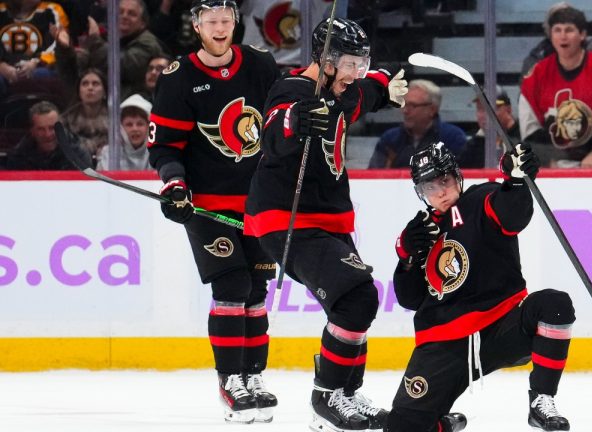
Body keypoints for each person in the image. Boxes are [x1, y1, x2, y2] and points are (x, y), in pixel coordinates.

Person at [244, 17, 407, 432]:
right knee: (357, 297)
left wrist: (386, 84)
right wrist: (296, 122)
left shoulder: (345, 90)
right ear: (325, 60)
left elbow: (367, 94)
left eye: (361, 62)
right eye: (350, 63)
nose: (357, 72)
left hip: (329, 220)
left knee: (354, 303)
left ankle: (347, 393)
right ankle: (327, 396)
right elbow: (273, 133)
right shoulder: (293, 90)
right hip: (287, 219)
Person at [147, 0, 281, 424]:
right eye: (211, 21)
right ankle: (230, 381)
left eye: (226, 20)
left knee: (257, 290)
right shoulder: (179, 77)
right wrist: (174, 184)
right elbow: (166, 146)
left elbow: (283, 118)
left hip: (258, 204)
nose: (220, 28)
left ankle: (254, 377)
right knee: (232, 286)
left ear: (236, 22)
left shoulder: (260, 63)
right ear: (196, 25)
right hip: (206, 207)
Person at [385, 141, 575, 432]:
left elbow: (513, 216)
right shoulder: (420, 232)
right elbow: (410, 299)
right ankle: (440, 424)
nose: (440, 193)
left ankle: (541, 400)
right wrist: (407, 258)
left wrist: (515, 182)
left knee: (554, 305)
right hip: (442, 343)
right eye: (429, 188)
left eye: (444, 181)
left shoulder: (481, 198)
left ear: (456, 176)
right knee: (401, 428)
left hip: (500, 327)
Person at [518, 5, 592, 168]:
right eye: (557, 30)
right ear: (550, 35)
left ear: (582, 35)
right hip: (554, 165)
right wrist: (551, 158)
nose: (563, 36)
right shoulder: (537, 75)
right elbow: (530, 131)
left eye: (569, 30)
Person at [368, 79, 466, 168]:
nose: (405, 111)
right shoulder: (390, 138)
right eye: (404, 105)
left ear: (432, 109)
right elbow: (372, 177)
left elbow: (458, 178)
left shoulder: (453, 138)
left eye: (412, 106)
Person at [5, 101, 84, 170]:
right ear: (32, 131)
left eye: (52, 128)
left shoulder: (79, 155)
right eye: (41, 129)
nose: (48, 134)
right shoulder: (18, 158)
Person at [457, 84, 519, 168]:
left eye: (491, 108)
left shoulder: (523, 137)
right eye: (480, 109)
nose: (486, 115)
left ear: (508, 109)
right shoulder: (471, 149)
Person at [60, 68, 109, 163]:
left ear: (104, 92)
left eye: (95, 84)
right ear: (79, 91)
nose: (90, 88)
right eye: (85, 84)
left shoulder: (117, 120)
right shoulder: (66, 121)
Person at [98, 94, 152, 170]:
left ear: (148, 126)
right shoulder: (109, 154)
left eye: (140, 124)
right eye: (129, 124)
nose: (135, 129)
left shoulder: (157, 153)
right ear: (121, 128)